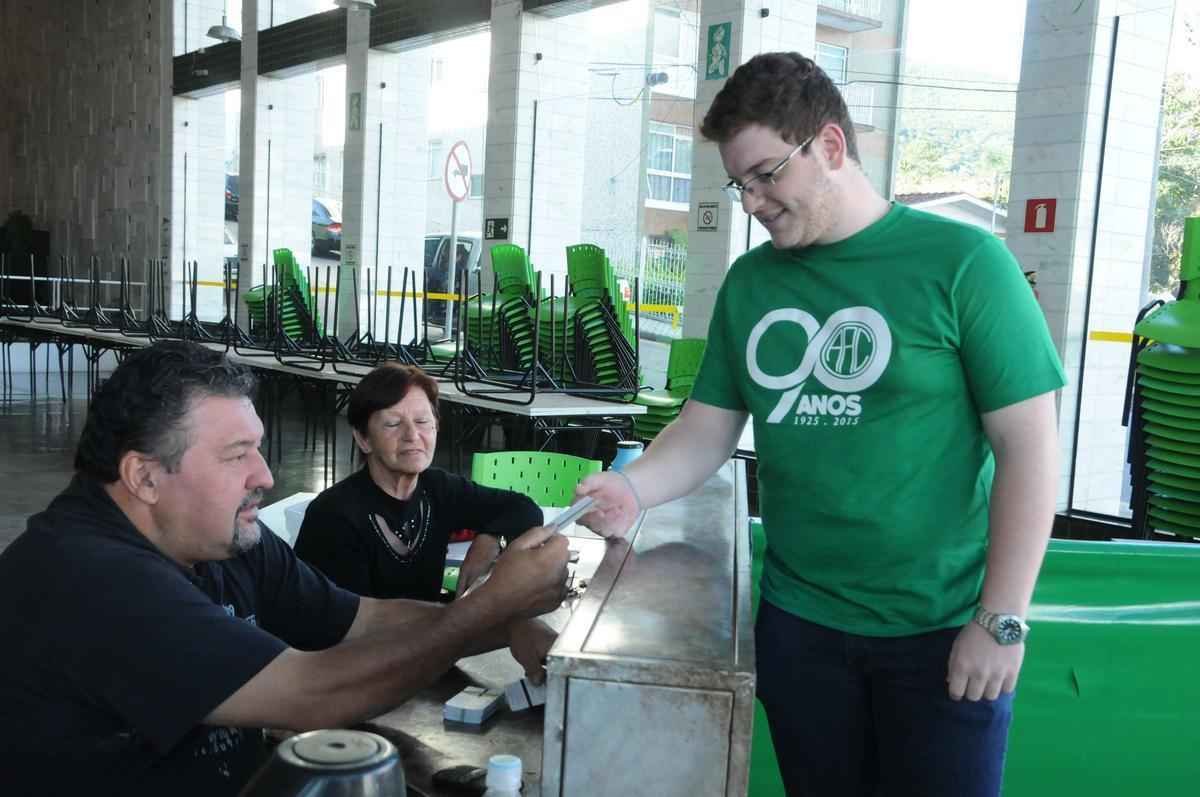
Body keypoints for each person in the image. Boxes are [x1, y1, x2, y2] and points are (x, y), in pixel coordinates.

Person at [577, 52, 1066, 797]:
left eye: (766, 175)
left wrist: (1002, 617)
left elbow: (1028, 448)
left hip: (938, 631)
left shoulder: (965, 264)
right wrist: (632, 489)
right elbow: (707, 428)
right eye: (738, 183)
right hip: (802, 629)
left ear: (830, 147)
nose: (750, 202)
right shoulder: (752, 282)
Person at [0, 341, 569, 796]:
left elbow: (367, 620)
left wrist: (504, 624)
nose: (266, 476)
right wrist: (488, 608)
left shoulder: (226, 541)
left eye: (259, 448)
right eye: (236, 454)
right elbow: (312, 695)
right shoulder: (90, 578)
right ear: (145, 477)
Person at [295, 362, 543, 601]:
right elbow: (352, 624)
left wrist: (490, 540)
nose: (412, 436)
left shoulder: (438, 488)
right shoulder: (333, 516)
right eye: (393, 424)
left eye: (423, 421)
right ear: (363, 439)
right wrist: (458, 620)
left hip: (430, 634)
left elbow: (524, 508)